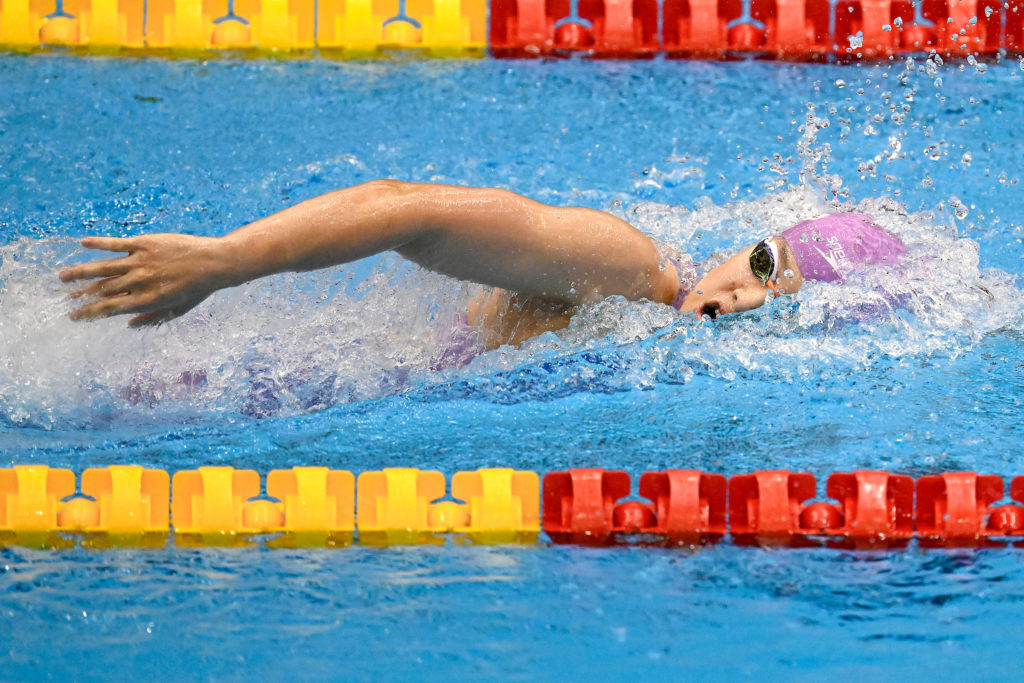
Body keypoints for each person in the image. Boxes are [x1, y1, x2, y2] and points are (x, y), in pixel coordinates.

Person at [59, 180, 907, 358]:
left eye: (774, 298)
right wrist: (223, 260)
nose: (741, 294)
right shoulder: (630, 271)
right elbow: (412, 214)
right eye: (762, 260)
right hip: (213, 373)